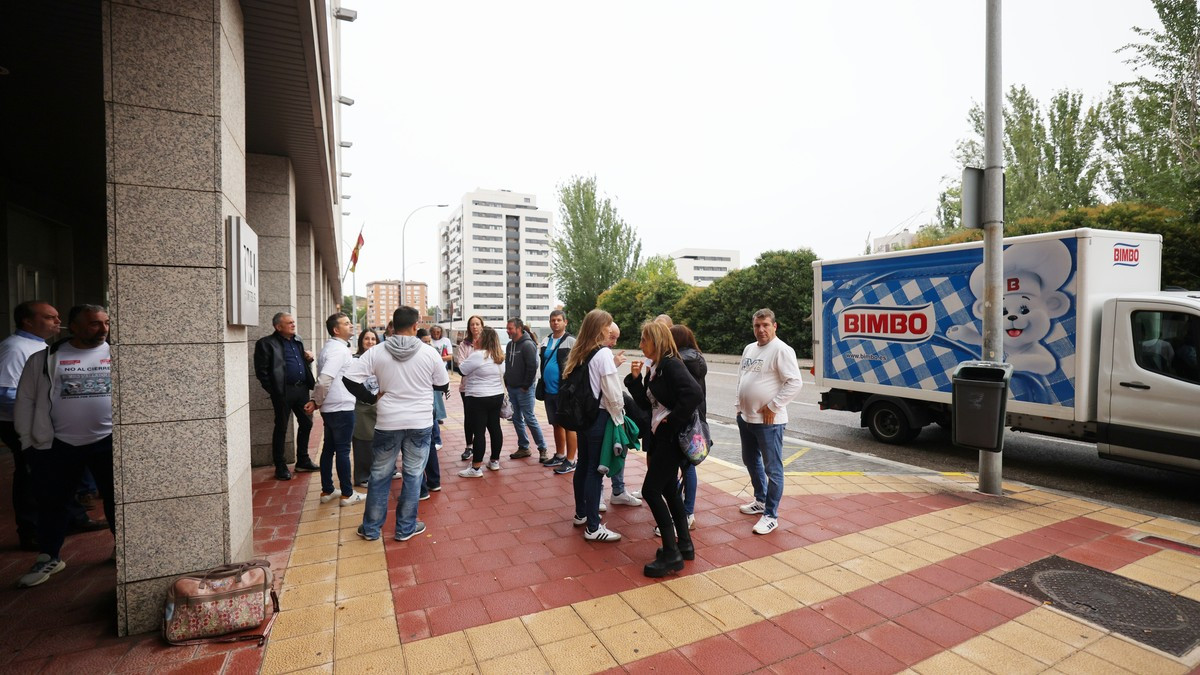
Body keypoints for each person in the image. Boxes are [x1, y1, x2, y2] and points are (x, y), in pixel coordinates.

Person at [13, 305, 115, 587]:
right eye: (95, 324)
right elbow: (26, 401)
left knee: (117, 500)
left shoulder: (117, 354)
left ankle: (124, 549)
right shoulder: (44, 358)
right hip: (58, 444)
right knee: (53, 503)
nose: (103, 329)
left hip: (108, 442)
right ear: (74, 326)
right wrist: (27, 442)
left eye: (106, 323)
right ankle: (50, 556)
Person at [344, 306, 448, 542]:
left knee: (379, 475)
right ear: (415, 325)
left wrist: (371, 397)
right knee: (413, 475)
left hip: (388, 421)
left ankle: (370, 529)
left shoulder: (377, 351)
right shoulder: (429, 353)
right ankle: (405, 528)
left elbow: (349, 379)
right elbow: (442, 384)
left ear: (392, 325)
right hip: (420, 422)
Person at [625, 320, 702, 576]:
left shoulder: (671, 364)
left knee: (650, 490)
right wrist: (635, 381)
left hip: (670, 439)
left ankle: (671, 554)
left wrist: (672, 422)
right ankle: (685, 545)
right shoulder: (657, 366)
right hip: (661, 438)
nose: (640, 344)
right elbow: (649, 405)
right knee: (669, 489)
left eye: (643, 340)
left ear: (656, 341)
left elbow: (693, 393)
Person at [0, 301, 62, 550]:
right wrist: (42, 412)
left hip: (39, 422)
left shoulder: (40, 345)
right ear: (27, 321)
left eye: (57, 317)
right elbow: (4, 393)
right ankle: (31, 530)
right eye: (50, 317)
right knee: (30, 474)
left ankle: (68, 520)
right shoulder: (15, 348)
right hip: (21, 424)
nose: (57, 322)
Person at [736, 308, 803, 535]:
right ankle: (761, 500)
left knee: (773, 469)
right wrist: (739, 408)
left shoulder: (782, 350)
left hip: (769, 422)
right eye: (757, 325)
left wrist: (774, 406)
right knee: (750, 460)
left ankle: (771, 515)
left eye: (765, 325)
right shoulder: (749, 348)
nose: (761, 330)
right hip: (746, 417)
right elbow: (742, 379)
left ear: (775, 326)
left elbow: (794, 382)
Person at [564, 309, 625, 542]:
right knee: (595, 471)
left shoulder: (581, 351)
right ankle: (593, 526)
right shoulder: (603, 354)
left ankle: (581, 513)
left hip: (583, 418)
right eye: (609, 324)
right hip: (599, 418)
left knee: (583, 466)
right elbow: (613, 393)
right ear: (601, 327)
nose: (611, 328)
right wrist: (619, 417)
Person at [254, 312, 319, 480]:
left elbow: (298, 363)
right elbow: (262, 372)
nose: (293, 325)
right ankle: (280, 465)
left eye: (293, 322)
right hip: (283, 392)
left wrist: (308, 359)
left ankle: (303, 460)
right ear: (278, 327)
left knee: (306, 423)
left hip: (301, 390)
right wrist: (275, 391)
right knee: (281, 428)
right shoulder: (266, 344)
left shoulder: (297, 340)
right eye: (289, 323)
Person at [309, 313, 364, 507]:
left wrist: (318, 402)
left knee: (329, 449)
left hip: (332, 407)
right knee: (342, 450)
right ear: (336, 329)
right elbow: (324, 380)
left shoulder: (332, 347)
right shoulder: (338, 351)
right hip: (340, 407)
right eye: (346, 323)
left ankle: (328, 490)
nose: (351, 326)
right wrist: (316, 400)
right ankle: (347, 494)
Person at [457, 327, 506, 477]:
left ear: (484, 339)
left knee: (479, 432)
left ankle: (476, 468)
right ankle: (494, 461)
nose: (475, 339)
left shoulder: (478, 355)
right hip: (496, 396)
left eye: (479, 337)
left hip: (478, 397)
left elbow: (462, 370)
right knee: (495, 428)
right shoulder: (499, 356)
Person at [602, 322, 640, 510]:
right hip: (605, 413)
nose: (614, 342)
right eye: (612, 337)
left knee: (619, 449)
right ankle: (600, 494)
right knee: (602, 454)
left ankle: (618, 491)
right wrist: (619, 413)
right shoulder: (599, 354)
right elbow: (608, 387)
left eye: (616, 337)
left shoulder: (604, 353)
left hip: (612, 413)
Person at [538, 310, 577, 472]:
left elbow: (578, 365)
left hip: (565, 392)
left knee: (569, 426)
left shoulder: (571, 341)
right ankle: (560, 455)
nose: (555, 323)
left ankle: (571, 460)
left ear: (565, 322)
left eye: (559, 320)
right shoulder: (546, 340)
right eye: (553, 320)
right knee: (556, 424)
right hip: (549, 391)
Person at [504, 318, 548, 461]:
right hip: (512, 388)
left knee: (529, 418)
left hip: (524, 389)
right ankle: (523, 447)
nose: (508, 331)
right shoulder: (510, 345)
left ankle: (542, 448)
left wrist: (525, 385)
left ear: (519, 328)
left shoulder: (528, 345)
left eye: (510, 328)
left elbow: (532, 367)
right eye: (507, 328)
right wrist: (507, 381)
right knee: (516, 418)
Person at [416, 329, 444, 498]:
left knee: (418, 447)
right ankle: (433, 482)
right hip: (426, 403)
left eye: (429, 341)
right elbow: (442, 382)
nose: (427, 344)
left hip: (422, 406)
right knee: (429, 443)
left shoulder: (417, 355)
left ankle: (425, 487)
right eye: (424, 341)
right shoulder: (430, 355)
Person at [351, 329, 380, 487]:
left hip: (379, 404)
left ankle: (382, 470)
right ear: (361, 341)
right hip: (362, 406)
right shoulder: (355, 360)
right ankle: (362, 476)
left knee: (380, 440)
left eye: (373, 339)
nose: (370, 342)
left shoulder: (381, 359)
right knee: (363, 441)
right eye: (366, 339)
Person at [454, 316, 484, 460]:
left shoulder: (487, 343)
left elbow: (491, 362)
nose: (475, 327)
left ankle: (480, 445)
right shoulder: (463, 345)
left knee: (482, 419)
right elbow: (461, 365)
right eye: (472, 324)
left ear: (482, 326)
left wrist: (471, 366)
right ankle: (469, 446)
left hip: (484, 387)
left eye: (477, 324)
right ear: (469, 327)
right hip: (466, 387)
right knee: (469, 417)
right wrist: (477, 366)